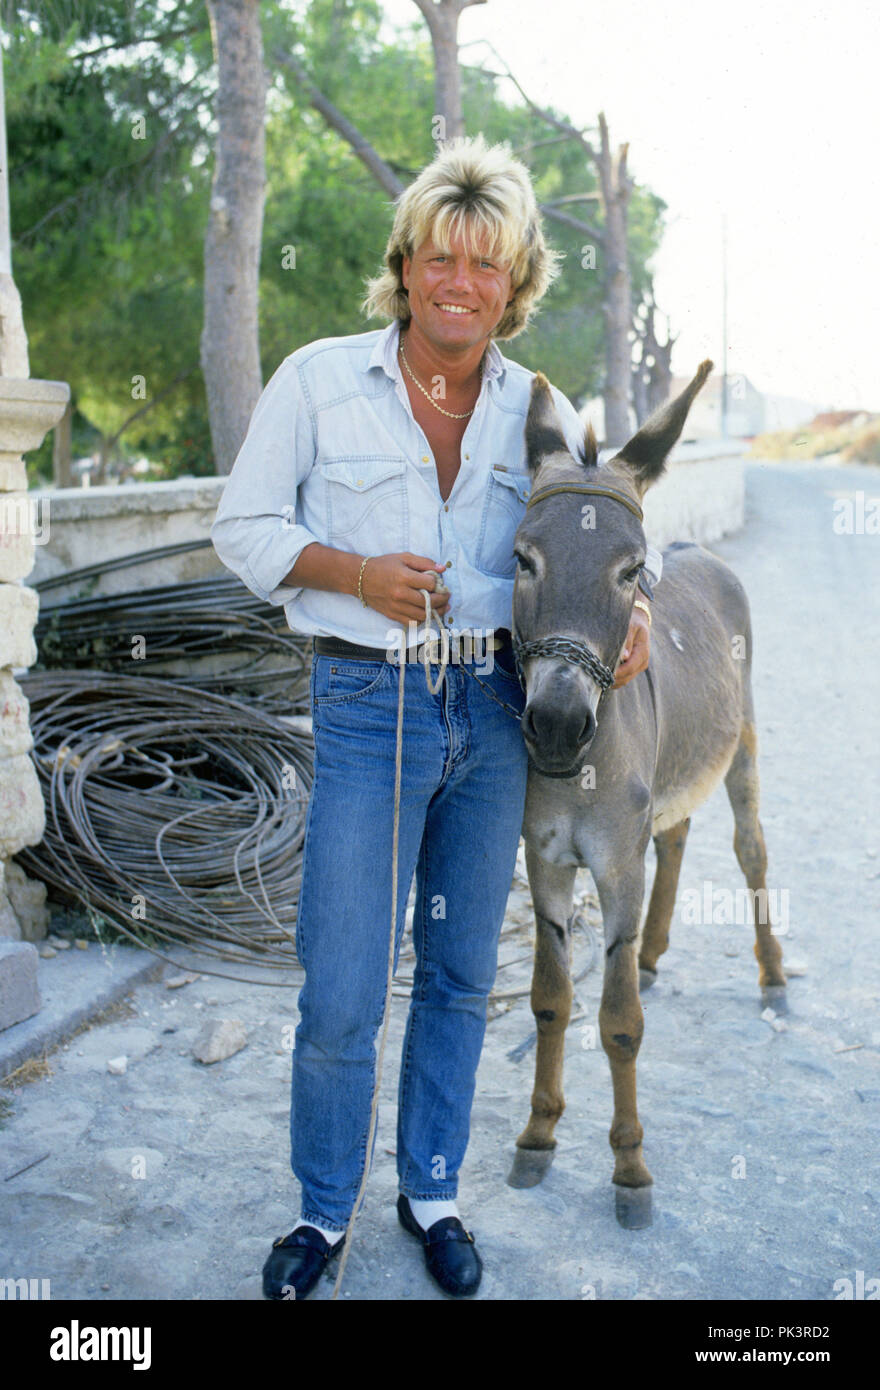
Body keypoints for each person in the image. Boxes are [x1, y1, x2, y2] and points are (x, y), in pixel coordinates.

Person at [210, 134, 661, 1300]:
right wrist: (352, 573)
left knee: (461, 971)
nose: (461, 283)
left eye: (488, 266)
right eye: (440, 258)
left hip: (496, 711)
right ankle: (319, 1216)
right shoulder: (317, 378)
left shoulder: (541, 410)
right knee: (345, 982)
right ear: (404, 263)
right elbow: (242, 529)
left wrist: (635, 614)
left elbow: (594, 538)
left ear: (515, 288)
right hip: (367, 704)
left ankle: (431, 1191)